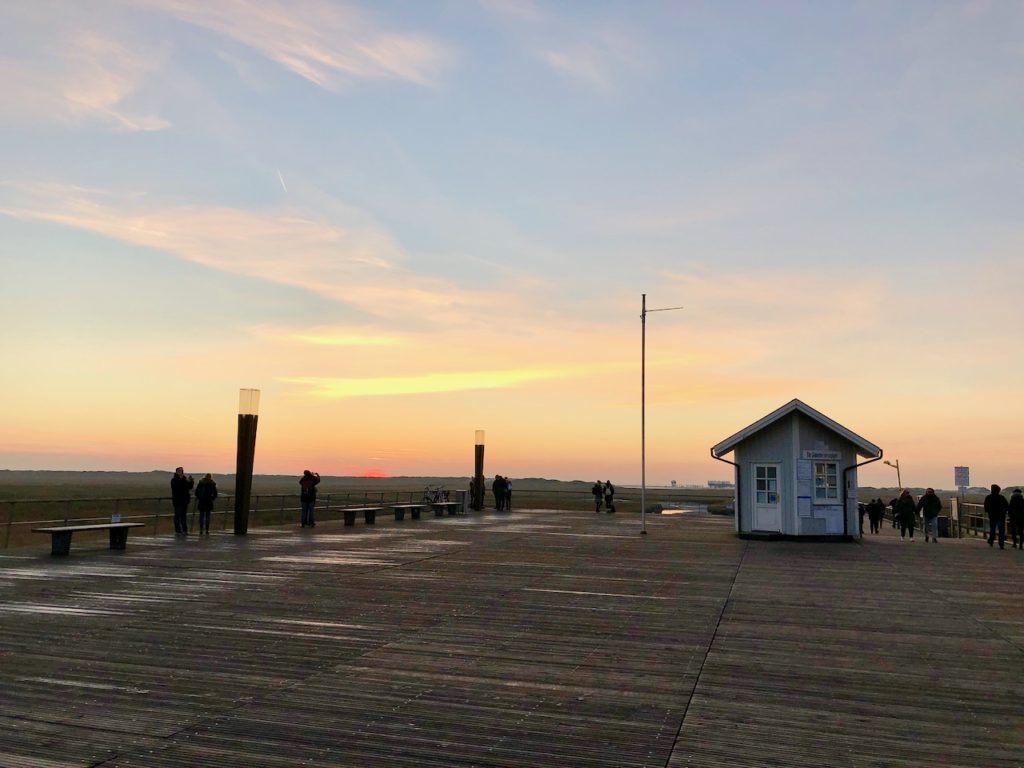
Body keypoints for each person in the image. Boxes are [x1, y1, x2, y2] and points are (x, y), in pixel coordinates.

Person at [170, 467, 194, 535]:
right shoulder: (174, 480)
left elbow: (189, 487)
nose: (182, 472)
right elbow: (177, 487)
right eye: (180, 471)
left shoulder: (184, 479)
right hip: (178, 501)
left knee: (183, 516)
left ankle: (184, 530)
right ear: (177, 472)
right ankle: (178, 530)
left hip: (184, 501)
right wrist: (183, 480)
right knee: (177, 515)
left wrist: (191, 481)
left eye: (182, 471)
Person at [984, 484, 1009, 549]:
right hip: (1001, 516)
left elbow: (986, 508)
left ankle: (991, 541)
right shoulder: (1002, 498)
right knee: (1001, 531)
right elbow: (1006, 506)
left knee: (992, 529)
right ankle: (1001, 544)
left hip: (992, 516)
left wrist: (989, 511)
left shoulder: (988, 497)